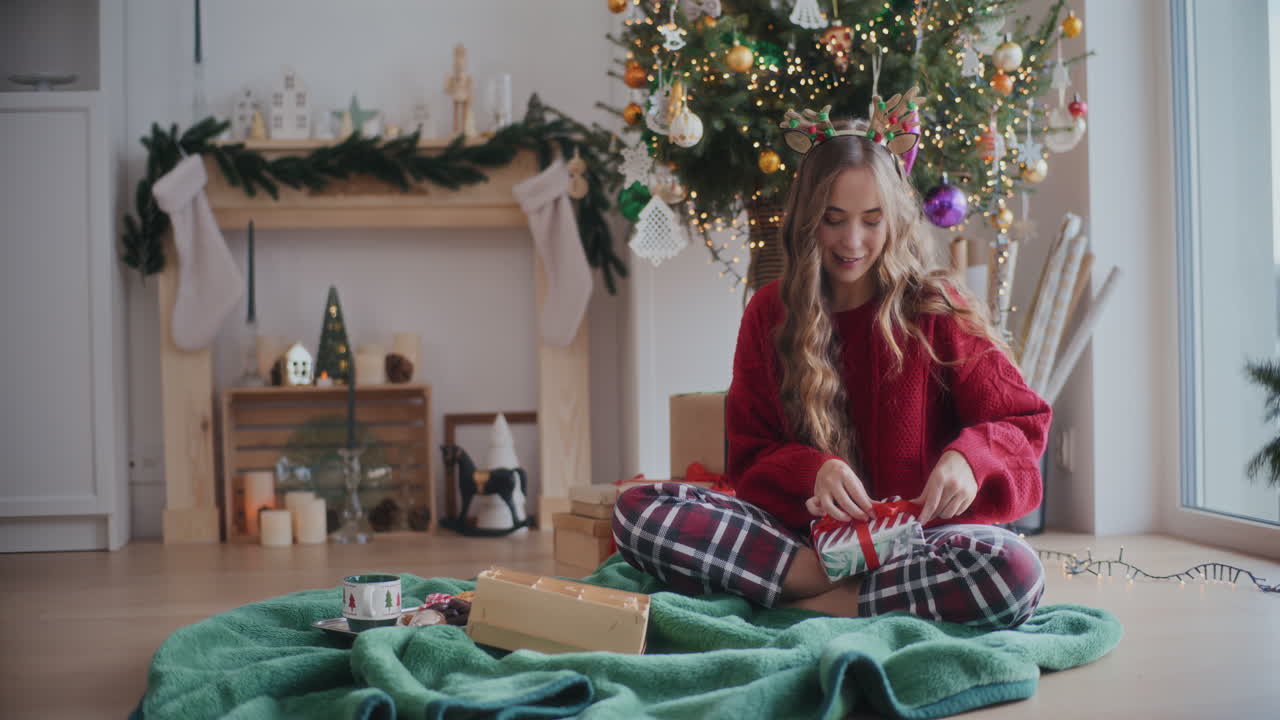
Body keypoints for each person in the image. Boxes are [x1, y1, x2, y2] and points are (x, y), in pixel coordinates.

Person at [612, 94, 1052, 630]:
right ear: (805, 220)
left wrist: (970, 459)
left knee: (1015, 570)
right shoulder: (769, 313)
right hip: (803, 544)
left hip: (919, 542)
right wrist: (814, 470)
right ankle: (830, 588)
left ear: (895, 220)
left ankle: (797, 603)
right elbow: (749, 457)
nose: (852, 241)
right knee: (640, 510)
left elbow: (1022, 424)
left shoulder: (936, 307)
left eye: (872, 220)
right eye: (833, 219)